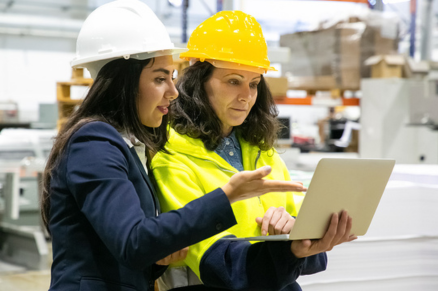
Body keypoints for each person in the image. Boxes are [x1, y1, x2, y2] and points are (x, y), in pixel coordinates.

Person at [40, 2, 307, 291]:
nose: (173, 91)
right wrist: (227, 196)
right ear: (123, 83)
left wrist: (160, 260)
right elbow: (133, 242)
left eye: (172, 77)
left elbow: (121, 246)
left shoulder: (124, 144)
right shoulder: (93, 143)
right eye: (159, 78)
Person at [151, 11, 357, 291]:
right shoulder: (172, 159)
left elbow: (304, 250)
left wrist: (300, 232)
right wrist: (291, 250)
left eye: (254, 83)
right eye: (233, 80)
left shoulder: (261, 151)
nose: (246, 96)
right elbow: (218, 265)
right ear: (199, 82)